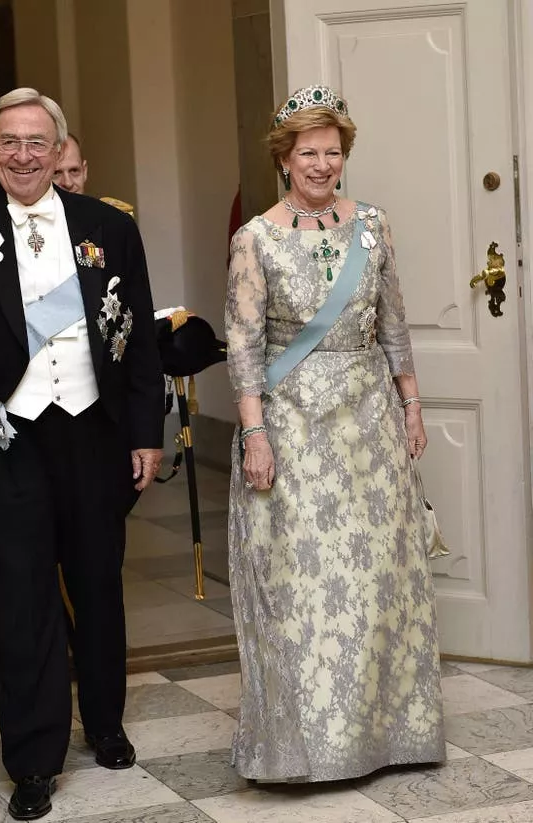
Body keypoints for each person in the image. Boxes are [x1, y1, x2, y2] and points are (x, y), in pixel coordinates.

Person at [0, 87, 164, 820]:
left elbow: (142, 339)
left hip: (92, 431)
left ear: (61, 152)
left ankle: (107, 720)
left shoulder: (105, 225)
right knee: (20, 601)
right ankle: (32, 757)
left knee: (97, 585)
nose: (24, 155)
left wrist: (146, 431)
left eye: (38, 143)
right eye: (10, 141)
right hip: (7, 435)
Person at [225, 84, 445, 783]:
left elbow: (394, 322)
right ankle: (306, 747)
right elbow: (244, 346)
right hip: (293, 427)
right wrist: (255, 432)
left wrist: (411, 403)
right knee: (305, 582)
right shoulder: (254, 239)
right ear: (284, 159)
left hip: (369, 420)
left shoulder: (373, 226)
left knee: (377, 576)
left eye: (333, 151)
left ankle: (387, 736)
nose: (322, 164)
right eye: (307, 152)